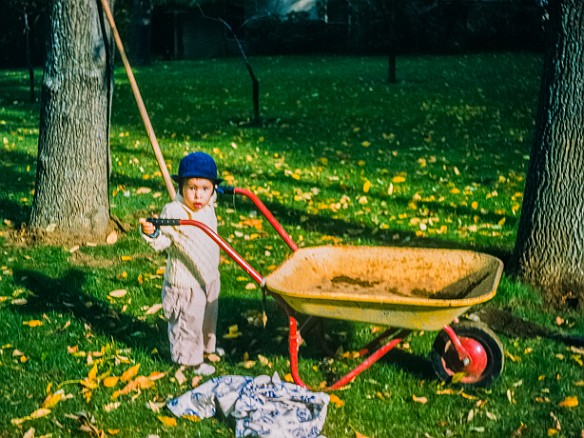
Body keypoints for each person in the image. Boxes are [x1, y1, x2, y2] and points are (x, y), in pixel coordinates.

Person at [140, 151, 224, 376]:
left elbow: (211, 197)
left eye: (204, 189)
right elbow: (162, 242)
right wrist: (152, 232)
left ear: (213, 189)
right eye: (191, 188)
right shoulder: (175, 211)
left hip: (208, 277)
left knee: (207, 318)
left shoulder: (207, 206)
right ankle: (189, 361)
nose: (198, 196)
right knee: (188, 321)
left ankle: (206, 350)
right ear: (181, 187)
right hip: (185, 284)